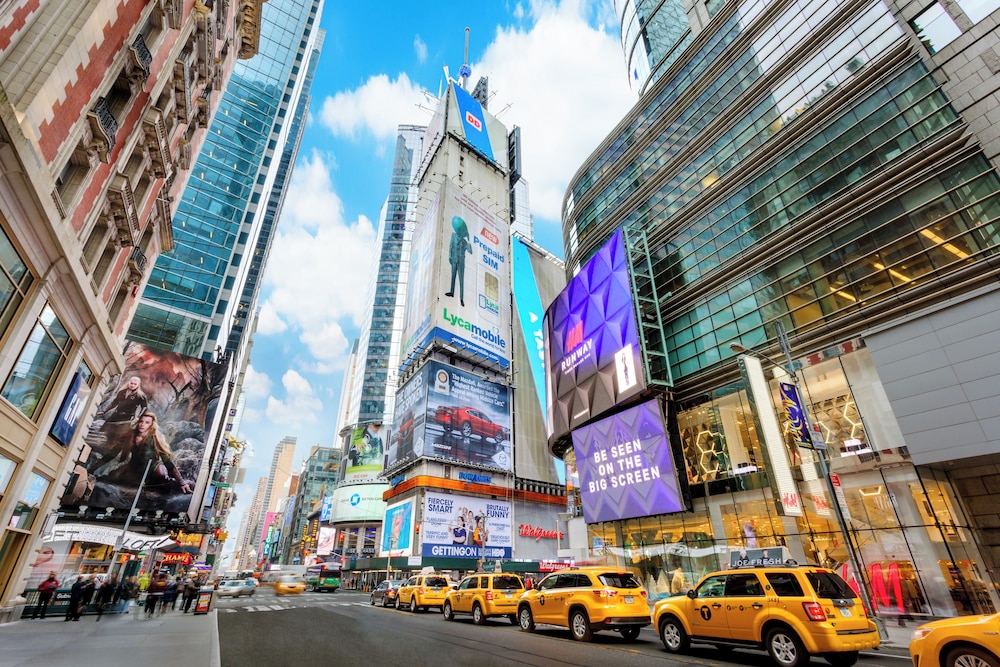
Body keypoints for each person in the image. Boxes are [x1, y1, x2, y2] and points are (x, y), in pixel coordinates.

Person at [97, 411, 193, 494]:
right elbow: (112, 454)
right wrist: (92, 469)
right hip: (135, 467)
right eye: (141, 421)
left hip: (154, 467)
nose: (142, 425)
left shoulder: (155, 439)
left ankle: (186, 484)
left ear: (151, 425)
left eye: (147, 422)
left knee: (162, 477)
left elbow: (167, 462)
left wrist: (182, 482)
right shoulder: (130, 435)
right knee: (112, 478)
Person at [444, 216, 473, 306]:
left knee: (461, 280)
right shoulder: (453, 235)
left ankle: (461, 298)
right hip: (454, 259)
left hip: (461, 262)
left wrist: (469, 241)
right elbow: (450, 246)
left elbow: (470, 252)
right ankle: (451, 292)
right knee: (453, 276)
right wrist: (450, 256)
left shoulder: (464, 242)